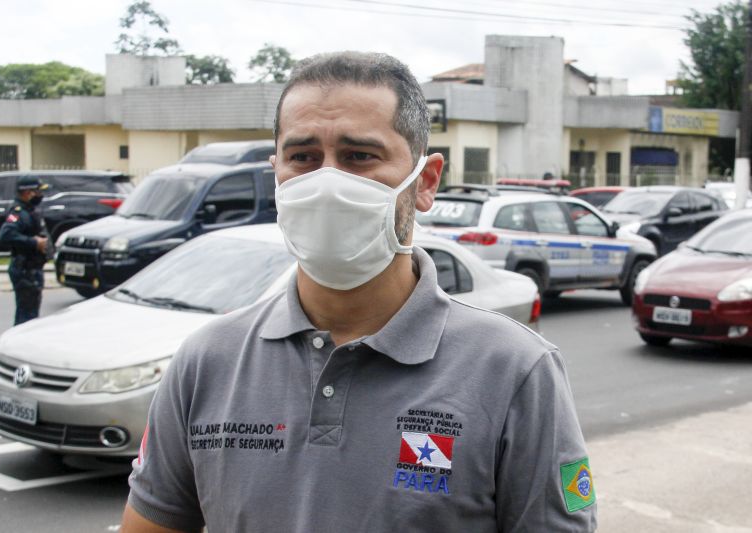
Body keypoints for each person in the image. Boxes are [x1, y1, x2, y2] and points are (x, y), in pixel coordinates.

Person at [121, 52, 597, 532]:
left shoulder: (514, 371)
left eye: (358, 156)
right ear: (277, 174)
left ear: (426, 182)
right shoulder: (207, 361)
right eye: (302, 157)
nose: (327, 183)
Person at [0, 175, 49, 325]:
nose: (40, 195)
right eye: (38, 191)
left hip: (32, 268)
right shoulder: (18, 212)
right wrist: (33, 242)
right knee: (26, 316)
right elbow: (6, 234)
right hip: (24, 269)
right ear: (28, 192)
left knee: (31, 313)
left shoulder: (30, 210)